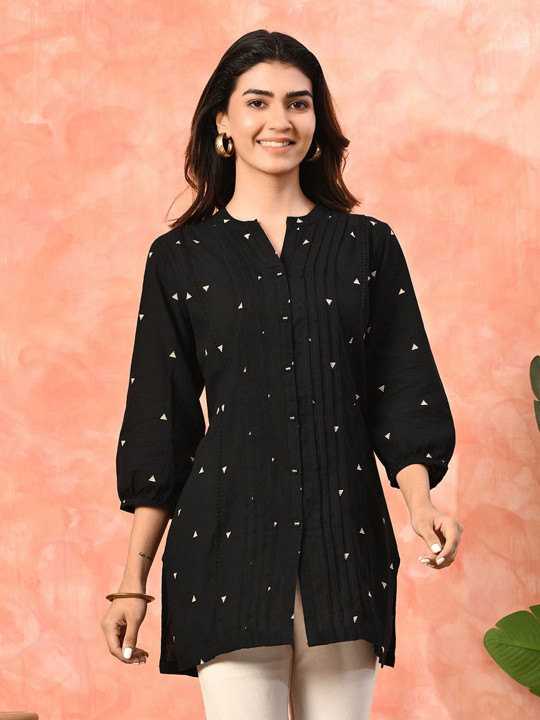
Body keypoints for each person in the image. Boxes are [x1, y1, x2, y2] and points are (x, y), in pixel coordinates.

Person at [100, 29, 463, 720]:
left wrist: (421, 506)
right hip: (224, 547)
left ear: (318, 121)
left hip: (345, 542)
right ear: (223, 122)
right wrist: (132, 582)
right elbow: (161, 426)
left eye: (299, 103)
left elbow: (403, 391)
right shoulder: (179, 259)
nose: (280, 120)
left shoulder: (367, 246)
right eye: (258, 102)